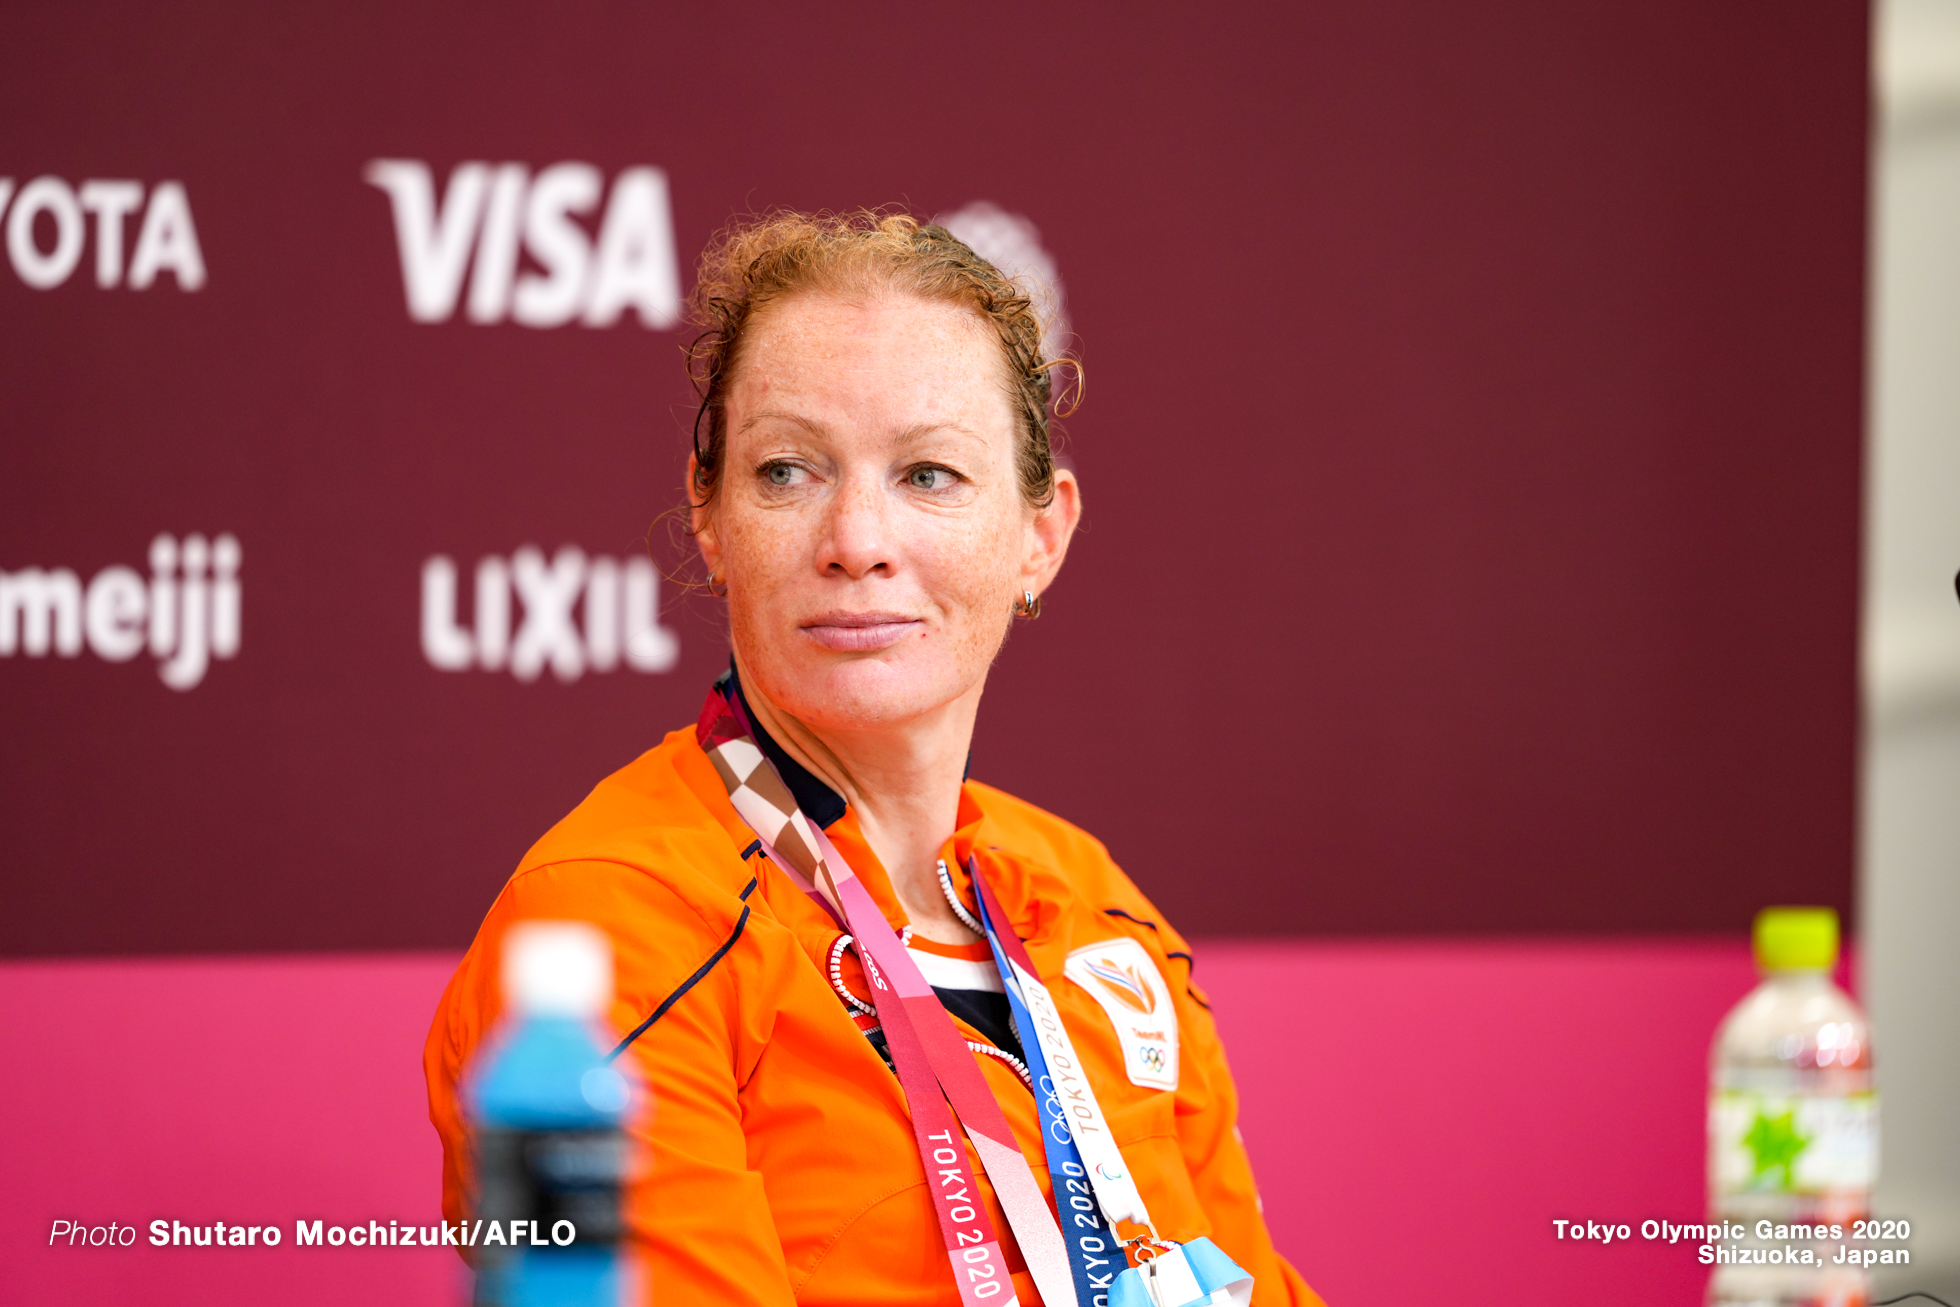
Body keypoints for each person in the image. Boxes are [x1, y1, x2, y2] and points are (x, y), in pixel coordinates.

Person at [425, 210, 1324, 1306]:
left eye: (931, 473)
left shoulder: (1099, 912)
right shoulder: (614, 917)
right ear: (708, 515)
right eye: (789, 469)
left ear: (1041, 535)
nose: (855, 536)